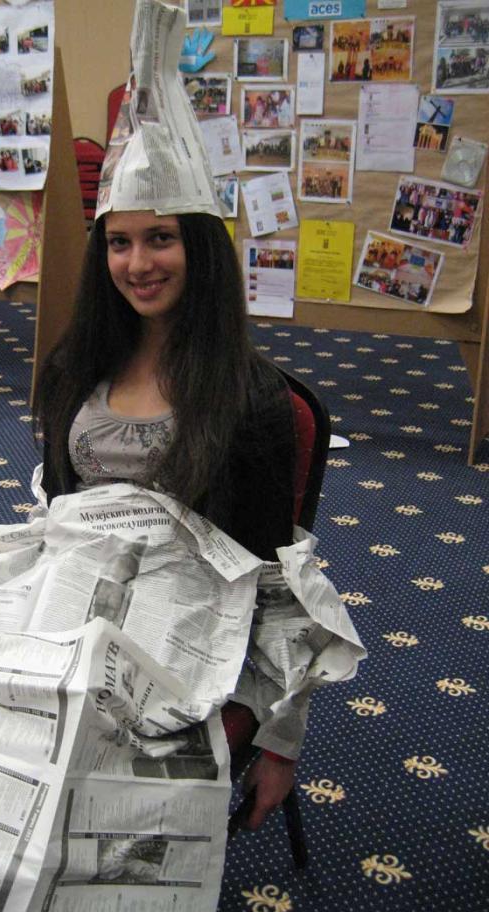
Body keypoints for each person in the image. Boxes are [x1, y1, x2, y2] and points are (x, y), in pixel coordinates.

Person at [34, 207, 302, 830]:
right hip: (69, 603)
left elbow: (273, 570)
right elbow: (55, 506)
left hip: (186, 627)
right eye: (119, 243)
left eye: (161, 239)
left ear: (202, 250)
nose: (138, 264)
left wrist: (284, 740)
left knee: (84, 767)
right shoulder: (74, 369)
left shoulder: (248, 395)